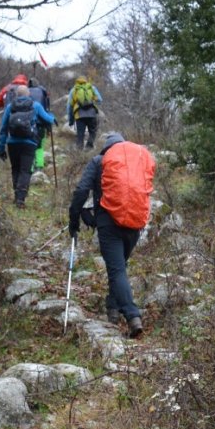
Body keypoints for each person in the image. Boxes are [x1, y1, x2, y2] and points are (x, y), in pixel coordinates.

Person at [68, 131, 156, 338]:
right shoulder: (138, 161)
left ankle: (133, 316)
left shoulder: (99, 160)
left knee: (117, 270)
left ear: (106, 147)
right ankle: (112, 309)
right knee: (119, 267)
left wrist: (75, 219)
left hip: (109, 222)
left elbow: (81, 191)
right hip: (135, 221)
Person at [0, 85, 55, 207]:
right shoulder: (36, 106)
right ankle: (21, 199)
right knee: (25, 170)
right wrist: (52, 115)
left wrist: (1, 147)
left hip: (12, 143)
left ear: (16, 95)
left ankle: (16, 195)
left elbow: (3, 129)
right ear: (28, 94)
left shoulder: (10, 107)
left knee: (16, 169)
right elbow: (48, 120)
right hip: (29, 143)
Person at [67, 76, 103, 150]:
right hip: (92, 114)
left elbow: (69, 106)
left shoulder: (74, 90)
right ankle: (88, 147)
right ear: (86, 81)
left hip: (79, 115)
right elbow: (99, 100)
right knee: (92, 132)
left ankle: (79, 152)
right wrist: (91, 102)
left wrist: (71, 120)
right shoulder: (91, 88)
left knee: (80, 134)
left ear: (77, 81)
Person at [26, 77, 51, 172]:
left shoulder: (25, 92)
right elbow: (47, 110)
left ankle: (31, 168)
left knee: (29, 145)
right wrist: (49, 128)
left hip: (27, 124)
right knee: (40, 146)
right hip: (41, 124)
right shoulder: (43, 92)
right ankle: (39, 166)